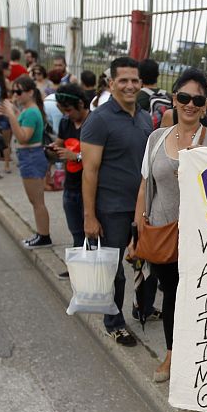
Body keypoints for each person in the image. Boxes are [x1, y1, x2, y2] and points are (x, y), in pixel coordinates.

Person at [130, 68, 207, 382]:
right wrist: (138, 230)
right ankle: (173, 355)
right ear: (174, 98)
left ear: (205, 105)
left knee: (196, 297)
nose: (190, 104)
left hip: (198, 238)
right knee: (170, 294)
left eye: (197, 99)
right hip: (161, 232)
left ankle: (195, 358)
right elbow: (146, 186)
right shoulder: (156, 138)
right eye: (184, 97)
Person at [81, 57, 153, 347]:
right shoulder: (98, 120)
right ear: (110, 83)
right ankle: (114, 322)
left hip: (142, 207)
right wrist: (89, 216)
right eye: (122, 80)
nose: (130, 85)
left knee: (145, 264)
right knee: (113, 271)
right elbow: (90, 171)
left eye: (134, 80)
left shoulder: (146, 117)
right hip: (111, 209)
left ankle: (142, 308)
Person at [0, 75, 53, 249]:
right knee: (35, 201)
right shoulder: (29, 110)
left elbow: (23, 137)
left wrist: (11, 116)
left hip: (31, 156)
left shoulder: (31, 112)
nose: (16, 95)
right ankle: (41, 234)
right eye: (14, 91)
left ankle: (44, 236)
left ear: (30, 92)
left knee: (37, 201)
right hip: (30, 156)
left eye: (19, 92)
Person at [48, 84, 89, 278]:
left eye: (69, 109)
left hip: (88, 187)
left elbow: (103, 157)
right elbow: (61, 141)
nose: (67, 114)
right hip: (70, 185)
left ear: (80, 103)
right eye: (63, 110)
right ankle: (77, 270)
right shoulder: (66, 123)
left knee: (90, 232)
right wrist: (53, 147)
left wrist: (77, 157)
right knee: (76, 231)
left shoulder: (93, 123)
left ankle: (90, 272)